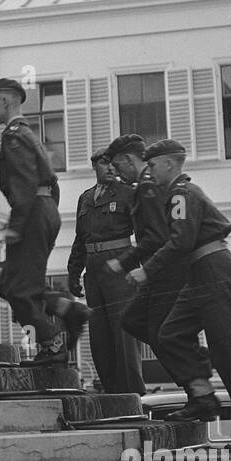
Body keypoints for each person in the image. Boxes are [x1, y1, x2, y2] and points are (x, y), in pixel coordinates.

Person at [128, 139, 231, 449]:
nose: (149, 171)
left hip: (214, 271)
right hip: (200, 273)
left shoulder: (182, 193)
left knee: (229, 349)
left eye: (152, 165)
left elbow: (181, 241)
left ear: (169, 164)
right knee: (170, 333)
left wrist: (148, 270)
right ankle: (202, 394)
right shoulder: (175, 195)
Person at [0, 78, 89, 366]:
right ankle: (66, 309)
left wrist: (18, 224)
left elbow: (24, 183)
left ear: (6, 101)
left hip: (31, 212)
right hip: (43, 209)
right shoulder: (29, 134)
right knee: (14, 283)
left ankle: (51, 343)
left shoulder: (14, 136)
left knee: (18, 289)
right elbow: (50, 184)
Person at [106, 134, 188, 382]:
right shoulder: (150, 184)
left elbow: (155, 236)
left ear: (129, 160)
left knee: (160, 334)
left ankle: (195, 375)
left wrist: (124, 262)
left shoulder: (146, 187)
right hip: (158, 270)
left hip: (163, 272)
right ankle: (193, 367)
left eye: (118, 166)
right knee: (134, 321)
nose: (118, 174)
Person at [68, 151, 144, 393]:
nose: (110, 168)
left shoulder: (129, 194)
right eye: (104, 163)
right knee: (99, 333)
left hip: (120, 264)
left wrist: (146, 269)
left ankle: (132, 391)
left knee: (124, 331)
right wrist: (73, 271)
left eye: (114, 163)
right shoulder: (86, 198)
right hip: (94, 268)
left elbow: (145, 234)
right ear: (94, 166)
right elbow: (81, 238)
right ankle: (110, 389)